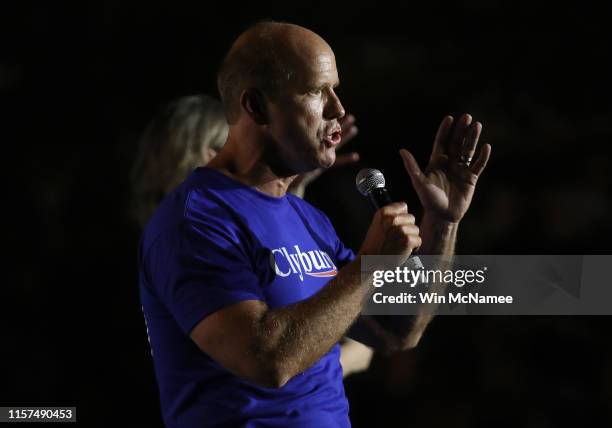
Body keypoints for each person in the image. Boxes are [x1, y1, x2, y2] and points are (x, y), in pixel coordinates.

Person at [138, 21, 491, 428]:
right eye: (315, 91)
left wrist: (443, 223)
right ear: (255, 106)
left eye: (335, 89)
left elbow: (399, 331)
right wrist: (366, 267)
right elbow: (267, 360)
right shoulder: (194, 220)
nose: (337, 108)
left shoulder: (308, 219)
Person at [131, 93, 373, 376]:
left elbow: (392, 315)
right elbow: (271, 360)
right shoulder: (187, 242)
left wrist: (437, 224)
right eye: (229, 149)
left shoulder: (298, 220)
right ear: (205, 155)